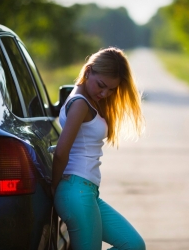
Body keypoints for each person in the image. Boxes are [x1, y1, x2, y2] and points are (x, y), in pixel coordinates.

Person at [51, 47, 145, 250]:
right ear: (88, 71)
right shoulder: (80, 104)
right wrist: (54, 187)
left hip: (88, 192)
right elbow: (60, 152)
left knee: (133, 244)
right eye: (101, 85)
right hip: (76, 190)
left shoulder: (87, 100)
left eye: (112, 90)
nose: (105, 93)